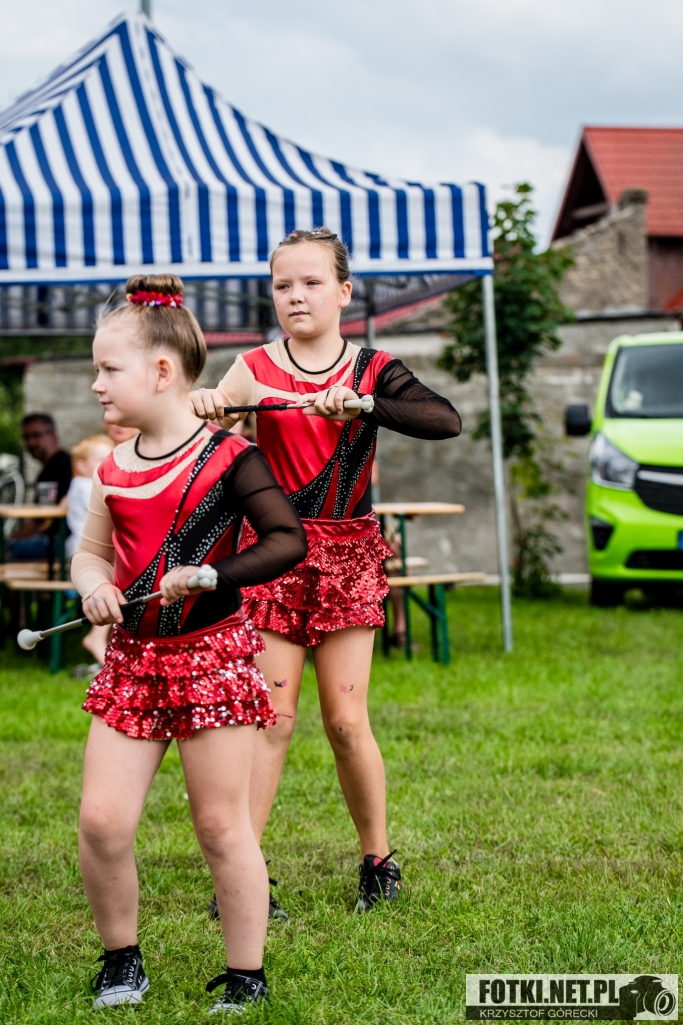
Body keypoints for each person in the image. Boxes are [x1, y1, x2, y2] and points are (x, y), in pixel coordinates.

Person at [191, 228, 461, 914]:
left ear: (343, 292)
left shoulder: (373, 368)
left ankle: (378, 860)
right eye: (282, 285)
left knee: (345, 720)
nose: (296, 296)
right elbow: (201, 443)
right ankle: (242, 876)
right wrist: (204, 407)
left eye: (311, 282)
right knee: (273, 719)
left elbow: (444, 419)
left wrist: (364, 404)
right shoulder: (251, 367)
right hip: (274, 554)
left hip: (348, 556)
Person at [70, 273, 306, 1013]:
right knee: (102, 821)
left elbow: (286, 540)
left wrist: (211, 574)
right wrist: (93, 587)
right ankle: (121, 961)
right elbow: (91, 555)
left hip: (211, 657)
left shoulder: (229, 458)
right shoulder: (112, 470)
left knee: (220, 825)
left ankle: (245, 974)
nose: (97, 384)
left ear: (162, 371)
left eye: (109, 369)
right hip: (133, 664)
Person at [64, 434, 115, 667]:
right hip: (86, 554)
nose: (107, 463)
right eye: (100, 459)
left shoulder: (81, 484)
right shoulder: (86, 485)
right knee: (112, 584)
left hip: (93, 551)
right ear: (82, 465)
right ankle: (96, 637)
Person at [7, 414, 72, 561]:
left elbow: (43, 522)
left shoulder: (63, 466)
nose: (31, 442)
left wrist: (13, 541)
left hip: (62, 542)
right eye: (26, 437)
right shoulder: (51, 468)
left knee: (7, 553)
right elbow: (38, 520)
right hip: (54, 540)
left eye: (36, 435)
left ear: (53, 435)